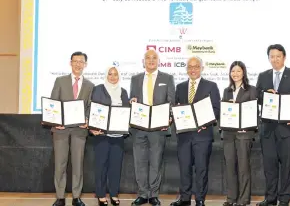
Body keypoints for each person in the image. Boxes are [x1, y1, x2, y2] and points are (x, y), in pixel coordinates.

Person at [256, 44, 290, 206]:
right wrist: (265, 96)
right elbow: (257, 98)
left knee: (286, 166)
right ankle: (270, 198)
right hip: (268, 129)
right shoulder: (263, 76)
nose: (275, 59)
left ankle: (284, 198)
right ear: (268, 58)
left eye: (278, 56)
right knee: (269, 166)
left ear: (284, 57)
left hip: (288, 128)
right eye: (272, 56)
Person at [170, 56, 221, 206]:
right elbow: (176, 109)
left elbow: (216, 109)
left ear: (202, 68)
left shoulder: (211, 86)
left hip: (203, 135)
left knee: (201, 169)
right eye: (190, 67)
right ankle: (185, 198)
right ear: (187, 69)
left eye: (196, 66)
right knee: (184, 168)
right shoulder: (179, 87)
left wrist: (207, 122)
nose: (193, 69)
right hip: (184, 136)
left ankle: (200, 199)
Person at [129, 49, 175, 206]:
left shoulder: (167, 78)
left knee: (156, 162)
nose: (150, 60)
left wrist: (168, 118)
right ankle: (142, 194)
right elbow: (132, 99)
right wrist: (132, 102)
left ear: (158, 61)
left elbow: (171, 102)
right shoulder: (135, 79)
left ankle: (153, 194)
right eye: (147, 58)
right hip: (139, 127)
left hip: (158, 128)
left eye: (154, 58)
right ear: (143, 61)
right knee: (139, 162)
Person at [49, 51, 94, 206]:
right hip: (60, 129)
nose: (78, 64)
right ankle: (60, 196)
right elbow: (53, 103)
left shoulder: (90, 85)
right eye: (75, 61)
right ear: (70, 63)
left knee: (77, 164)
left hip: (79, 130)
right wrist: (54, 121)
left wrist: (87, 119)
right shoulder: (60, 81)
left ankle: (76, 196)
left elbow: (89, 107)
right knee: (60, 163)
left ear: (85, 65)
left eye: (81, 62)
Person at [89, 64, 130, 206]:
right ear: (106, 75)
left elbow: (127, 111)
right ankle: (101, 194)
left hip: (118, 136)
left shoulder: (123, 92)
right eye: (110, 74)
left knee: (115, 166)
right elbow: (93, 109)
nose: (113, 77)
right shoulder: (98, 89)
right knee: (101, 166)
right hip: (102, 135)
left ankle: (114, 193)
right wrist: (92, 128)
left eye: (115, 74)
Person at [221, 61, 257, 206]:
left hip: (244, 134)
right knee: (230, 167)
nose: (235, 74)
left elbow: (254, 112)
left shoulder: (251, 90)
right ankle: (231, 198)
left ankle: (243, 199)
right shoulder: (226, 91)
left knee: (243, 168)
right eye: (233, 71)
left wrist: (247, 126)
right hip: (229, 134)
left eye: (238, 71)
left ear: (243, 72)